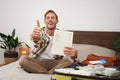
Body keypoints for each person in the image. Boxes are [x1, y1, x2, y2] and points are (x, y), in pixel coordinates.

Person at [19, 10, 78, 74]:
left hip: (55, 63)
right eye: (48, 18)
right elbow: (35, 39)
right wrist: (35, 37)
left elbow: (71, 54)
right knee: (23, 59)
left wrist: (75, 54)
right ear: (45, 21)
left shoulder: (63, 35)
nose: (50, 19)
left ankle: (49, 71)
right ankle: (48, 73)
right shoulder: (38, 32)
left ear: (57, 21)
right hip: (38, 61)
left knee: (73, 61)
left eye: (52, 18)